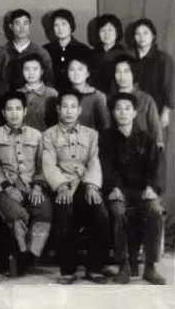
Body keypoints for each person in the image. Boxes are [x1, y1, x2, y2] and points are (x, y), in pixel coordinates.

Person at [42, 90, 109, 285]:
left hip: (85, 183)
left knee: (100, 212)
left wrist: (92, 186)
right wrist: (61, 186)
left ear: (79, 110)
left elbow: (95, 161)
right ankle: (68, 270)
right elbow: (48, 164)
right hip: (62, 184)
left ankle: (95, 268)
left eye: (73, 107)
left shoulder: (92, 135)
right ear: (58, 109)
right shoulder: (48, 135)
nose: (69, 111)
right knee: (64, 212)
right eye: (65, 106)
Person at [100, 93, 165, 285]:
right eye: (118, 108)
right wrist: (113, 187)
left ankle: (150, 267)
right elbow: (105, 167)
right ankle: (124, 265)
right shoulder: (106, 138)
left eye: (127, 108)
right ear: (113, 112)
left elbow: (154, 168)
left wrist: (151, 187)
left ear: (135, 113)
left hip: (142, 190)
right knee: (119, 212)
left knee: (155, 211)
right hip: (118, 190)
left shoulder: (146, 138)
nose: (123, 113)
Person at [0, 92, 51, 275]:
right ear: (3, 112)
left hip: (31, 186)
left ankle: (31, 254)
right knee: (16, 214)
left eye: (18, 109)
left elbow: (42, 165)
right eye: (9, 109)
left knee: (44, 211)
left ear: (25, 111)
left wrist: (38, 186)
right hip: (5, 188)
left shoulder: (37, 135)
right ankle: (21, 254)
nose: (14, 113)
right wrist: (7, 188)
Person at [111, 54, 164, 149]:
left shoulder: (146, 99)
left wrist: (156, 149)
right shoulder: (110, 99)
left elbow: (156, 131)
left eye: (126, 71)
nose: (122, 77)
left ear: (133, 73)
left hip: (142, 151)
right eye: (118, 72)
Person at [131, 18, 173, 130]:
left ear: (153, 35)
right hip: (132, 111)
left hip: (156, 110)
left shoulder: (163, 58)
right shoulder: (130, 58)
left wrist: (165, 113)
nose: (142, 37)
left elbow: (169, 86)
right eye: (137, 34)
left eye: (145, 33)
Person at [1, 9, 54, 90]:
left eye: (25, 23)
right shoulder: (2, 52)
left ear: (30, 26)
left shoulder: (41, 53)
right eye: (17, 23)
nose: (22, 28)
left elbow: (49, 82)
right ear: (11, 27)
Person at [43, 9, 92, 91]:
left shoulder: (84, 51)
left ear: (71, 26)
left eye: (63, 24)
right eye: (56, 25)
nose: (60, 28)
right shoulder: (45, 50)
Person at [66, 56, 110, 132]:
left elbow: (106, 125)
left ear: (87, 73)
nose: (76, 73)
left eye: (80, 69)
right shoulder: (63, 95)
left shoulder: (98, 96)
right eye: (72, 69)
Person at [17, 53, 58, 132]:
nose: (31, 73)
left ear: (41, 71)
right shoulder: (17, 94)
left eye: (35, 69)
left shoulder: (52, 94)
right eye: (26, 69)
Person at [90, 14, 128, 93]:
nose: (106, 34)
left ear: (117, 31)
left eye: (110, 30)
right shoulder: (92, 54)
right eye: (102, 30)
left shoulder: (124, 55)